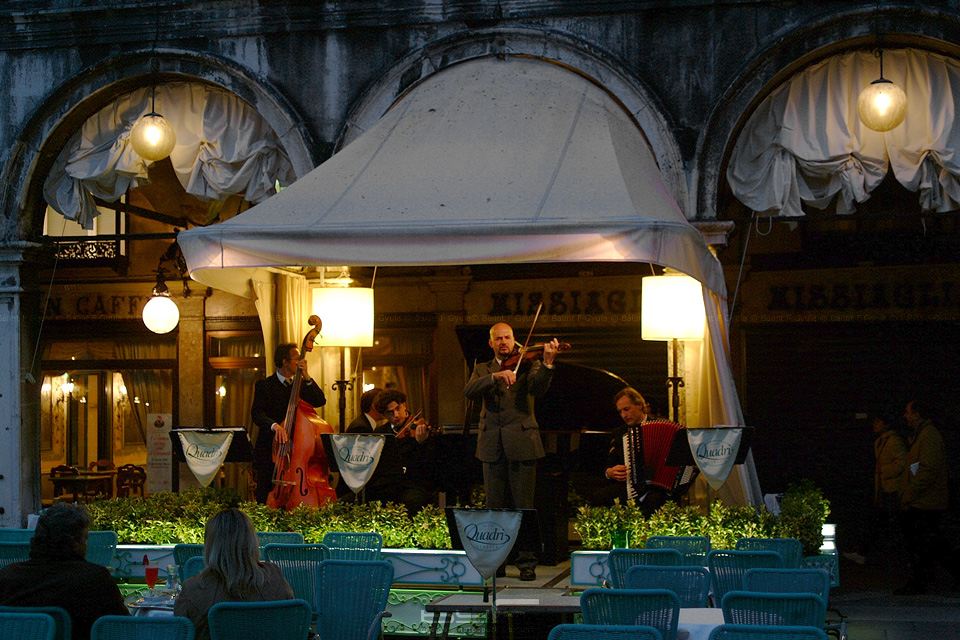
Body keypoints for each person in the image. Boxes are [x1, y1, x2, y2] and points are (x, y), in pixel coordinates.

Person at [464, 322, 559, 581]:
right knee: (495, 508)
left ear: (515, 340)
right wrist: (495, 376)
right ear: (491, 343)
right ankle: (497, 561)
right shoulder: (482, 368)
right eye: (499, 338)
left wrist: (548, 363)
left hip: (523, 442)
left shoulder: (529, 364)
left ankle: (527, 562)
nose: (504, 342)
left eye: (508, 337)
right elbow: (469, 391)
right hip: (491, 445)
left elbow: (538, 389)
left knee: (523, 507)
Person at [0, 503, 129, 640]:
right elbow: (123, 628)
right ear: (74, 542)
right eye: (85, 539)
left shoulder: (8, 577)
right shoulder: (94, 579)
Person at [174, 509, 295, 640]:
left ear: (210, 545)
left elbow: (179, 632)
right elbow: (291, 622)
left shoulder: (194, 590)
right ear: (252, 542)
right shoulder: (275, 580)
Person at [250, 342, 326, 504]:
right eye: (297, 359)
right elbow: (257, 414)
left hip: (297, 450)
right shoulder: (264, 385)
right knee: (266, 492)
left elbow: (320, 400)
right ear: (284, 362)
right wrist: (275, 426)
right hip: (270, 450)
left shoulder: (301, 385)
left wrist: (306, 375)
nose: (301, 362)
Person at [896, 399, 955, 594]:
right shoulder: (924, 435)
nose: (906, 415)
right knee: (930, 544)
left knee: (926, 544)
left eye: (908, 412)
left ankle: (919, 583)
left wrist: (909, 494)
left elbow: (927, 470)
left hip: (924, 503)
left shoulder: (928, 436)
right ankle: (921, 581)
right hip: (924, 501)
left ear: (917, 414)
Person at [346, 388, 437, 515]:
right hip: (387, 485)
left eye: (398, 408)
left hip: (412, 484)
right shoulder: (380, 433)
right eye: (390, 412)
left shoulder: (418, 429)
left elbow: (430, 464)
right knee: (349, 502)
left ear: (404, 406)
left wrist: (421, 443)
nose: (396, 415)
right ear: (384, 415)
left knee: (412, 502)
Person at [597, 388, 666, 513]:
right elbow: (608, 464)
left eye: (626, 409)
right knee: (600, 497)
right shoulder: (620, 433)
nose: (624, 415)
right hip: (629, 486)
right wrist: (610, 472)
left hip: (657, 488)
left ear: (639, 405)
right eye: (620, 411)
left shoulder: (662, 427)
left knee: (655, 500)